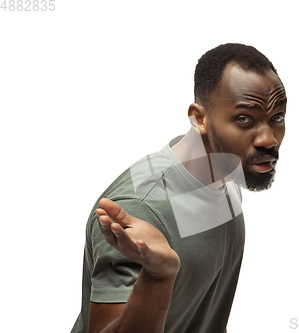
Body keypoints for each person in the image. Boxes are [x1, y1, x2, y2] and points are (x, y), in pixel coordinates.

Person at [71, 43, 287, 333]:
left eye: (277, 118)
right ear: (199, 119)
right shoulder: (139, 207)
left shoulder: (227, 179)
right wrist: (159, 276)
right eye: (244, 119)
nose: (268, 139)